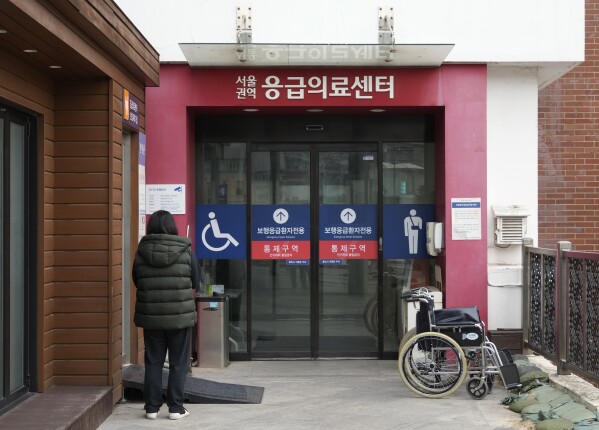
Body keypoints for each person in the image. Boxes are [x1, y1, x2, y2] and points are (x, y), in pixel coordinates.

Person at [132, 210, 200, 420]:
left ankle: (152, 407)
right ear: (172, 227)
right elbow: (196, 282)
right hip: (179, 316)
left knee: (153, 361)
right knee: (178, 363)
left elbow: (137, 280)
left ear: (151, 227)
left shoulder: (141, 250)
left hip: (152, 316)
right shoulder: (185, 249)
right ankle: (175, 408)